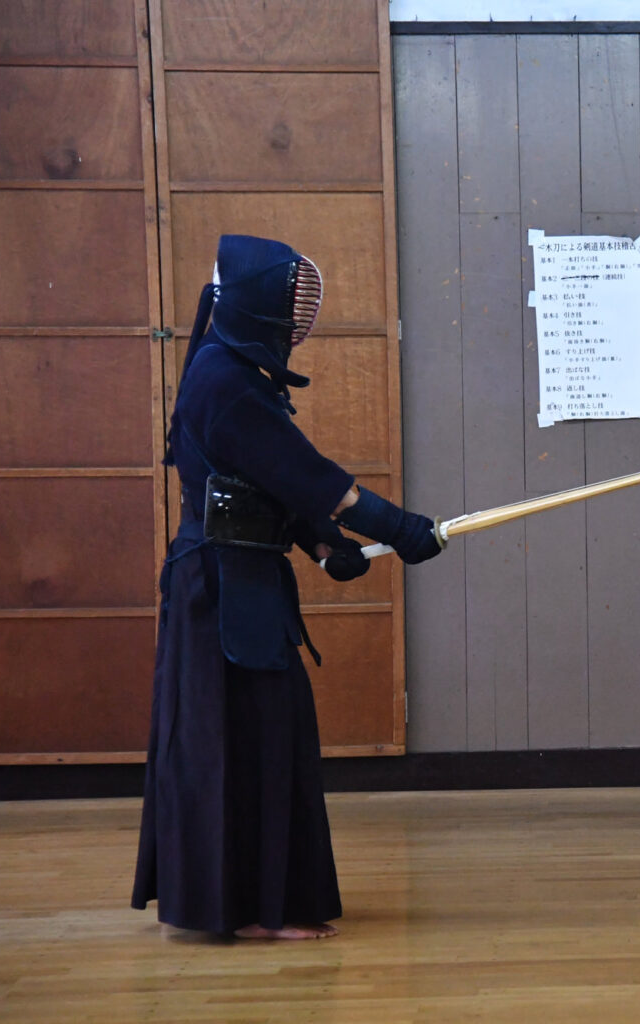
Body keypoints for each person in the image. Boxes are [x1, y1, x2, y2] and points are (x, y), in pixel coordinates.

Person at [132, 234, 441, 939]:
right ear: (254, 307)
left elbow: (262, 484)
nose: (297, 320)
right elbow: (306, 476)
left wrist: (323, 544)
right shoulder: (222, 379)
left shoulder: (232, 372)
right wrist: (399, 528)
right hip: (217, 589)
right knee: (232, 744)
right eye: (289, 304)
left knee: (268, 739)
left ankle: (262, 902)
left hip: (242, 579)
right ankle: (242, 911)